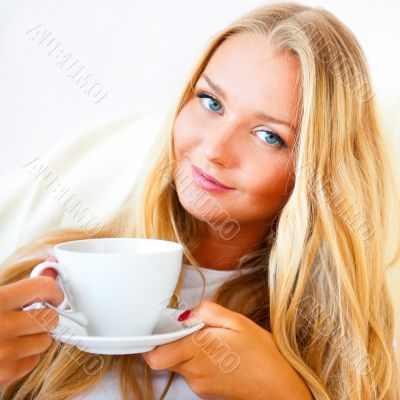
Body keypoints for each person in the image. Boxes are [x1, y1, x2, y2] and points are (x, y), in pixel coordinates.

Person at [0, 2, 399, 399]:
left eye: (268, 135)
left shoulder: (349, 346)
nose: (214, 150)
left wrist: (282, 392)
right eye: (211, 102)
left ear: (316, 176)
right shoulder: (42, 277)